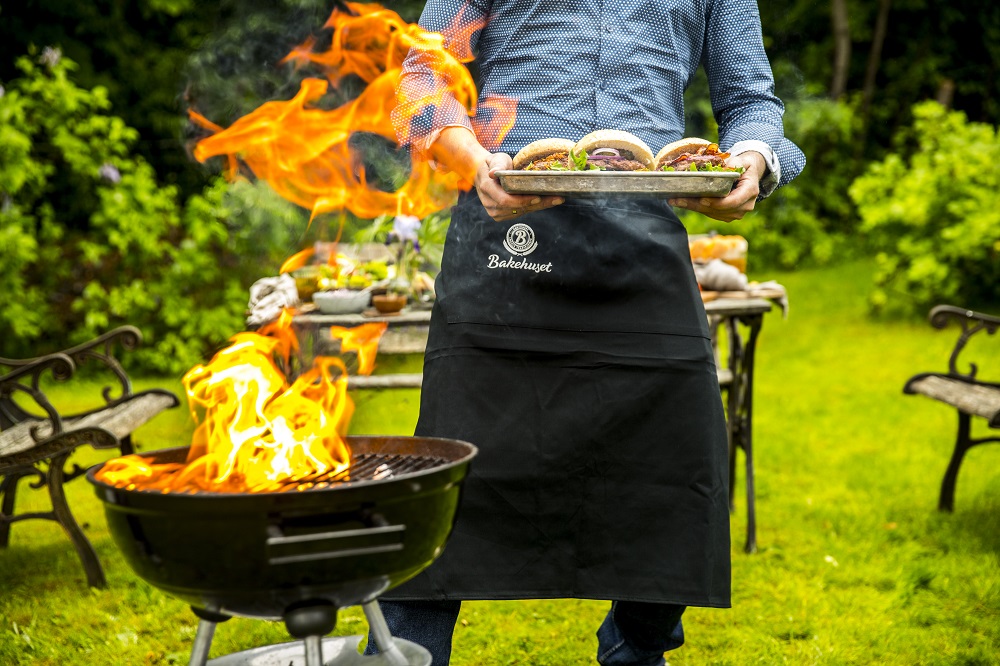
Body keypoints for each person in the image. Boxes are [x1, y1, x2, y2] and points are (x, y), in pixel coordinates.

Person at [368, 1, 805, 664]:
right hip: (503, 237)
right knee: (449, 493)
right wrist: (473, 160)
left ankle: (637, 644)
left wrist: (751, 159)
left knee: (678, 480)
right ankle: (403, 656)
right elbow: (423, 80)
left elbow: (750, 99)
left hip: (645, 243)